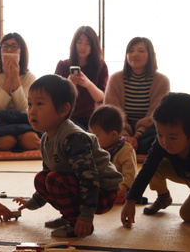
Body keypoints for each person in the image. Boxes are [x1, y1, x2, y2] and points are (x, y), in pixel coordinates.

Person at [13, 75, 123, 238]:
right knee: (42, 178)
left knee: (54, 180)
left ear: (63, 110)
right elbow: (47, 175)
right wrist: (32, 203)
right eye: (29, 104)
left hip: (102, 191)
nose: (32, 110)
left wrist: (86, 217)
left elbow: (89, 179)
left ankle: (76, 222)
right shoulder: (45, 139)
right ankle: (69, 217)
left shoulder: (73, 138)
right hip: (82, 187)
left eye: (40, 104)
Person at [121, 93, 190, 227]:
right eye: (159, 134)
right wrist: (130, 200)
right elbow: (147, 168)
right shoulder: (162, 142)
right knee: (154, 166)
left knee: (188, 215)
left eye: (173, 138)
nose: (165, 142)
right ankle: (164, 198)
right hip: (186, 174)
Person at [104, 37, 170, 154]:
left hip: (148, 129)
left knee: (158, 138)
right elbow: (112, 112)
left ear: (150, 55)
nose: (134, 54)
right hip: (120, 127)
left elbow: (156, 115)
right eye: (131, 51)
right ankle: (127, 145)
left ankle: (132, 147)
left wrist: (136, 136)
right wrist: (125, 135)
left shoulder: (162, 81)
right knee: (102, 133)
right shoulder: (115, 79)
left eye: (140, 51)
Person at [0, 32, 40, 151]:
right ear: (0, 51)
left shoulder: (29, 77)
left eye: (14, 46)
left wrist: (15, 77)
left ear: (21, 51)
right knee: (6, 143)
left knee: (31, 142)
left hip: (23, 119)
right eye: (5, 46)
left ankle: (19, 140)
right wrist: (7, 78)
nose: (9, 50)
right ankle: (15, 141)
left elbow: (23, 106)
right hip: (0, 120)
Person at [54, 26, 109, 130]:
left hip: (93, 118)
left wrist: (88, 84)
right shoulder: (63, 65)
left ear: (94, 46)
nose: (82, 47)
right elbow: (56, 98)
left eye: (87, 43)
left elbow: (101, 97)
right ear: (74, 44)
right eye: (79, 42)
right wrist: (69, 85)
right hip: (69, 117)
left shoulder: (101, 66)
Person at [89, 105, 137, 204]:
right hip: (100, 185)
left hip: (117, 187)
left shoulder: (126, 150)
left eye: (96, 135)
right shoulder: (95, 148)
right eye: (91, 134)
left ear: (114, 135)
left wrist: (124, 186)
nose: (93, 138)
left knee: (118, 196)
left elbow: (130, 173)